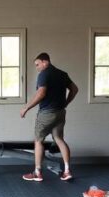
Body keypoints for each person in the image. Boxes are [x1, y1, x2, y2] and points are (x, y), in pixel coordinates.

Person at [20, 52, 77, 181]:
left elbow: (41, 94)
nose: (37, 67)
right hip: (60, 112)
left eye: (37, 64)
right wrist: (65, 103)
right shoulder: (63, 74)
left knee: (39, 141)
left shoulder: (44, 74)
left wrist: (26, 108)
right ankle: (67, 171)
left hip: (46, 113)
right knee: (59, 139)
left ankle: (37, 173)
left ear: (45, 62)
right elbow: (75, 89)